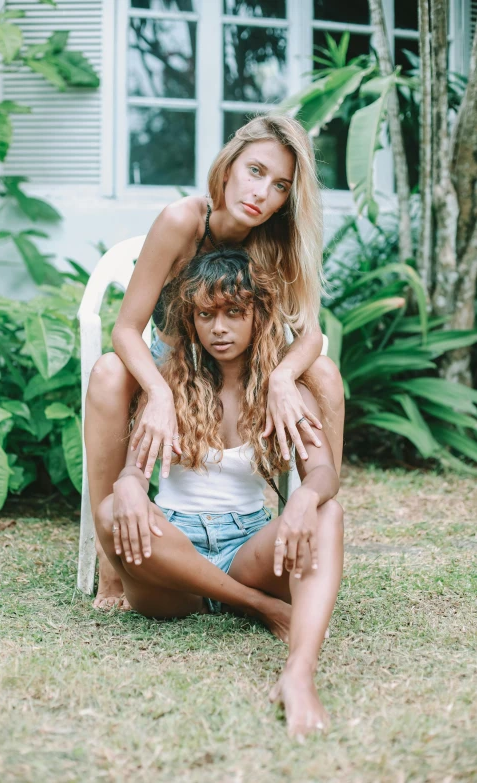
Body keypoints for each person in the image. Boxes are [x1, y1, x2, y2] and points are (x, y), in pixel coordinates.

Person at [85, 115, 345, 609]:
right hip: (171, 360)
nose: (261, 192)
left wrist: (285, 376)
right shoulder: (183, 220)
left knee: (326, 376)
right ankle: (110, 560)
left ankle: (304, 526)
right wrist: (159, 393)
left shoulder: (279, 240)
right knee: (106, 374)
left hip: (247, 364)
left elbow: (311, 334)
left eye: (280, 186)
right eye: (255, 171)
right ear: (228, 167)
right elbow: (124, 329)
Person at [95, 249, 344, 739]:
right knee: (110, 510)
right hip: (174, 567)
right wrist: (128, 487)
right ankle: (258, 606)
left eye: (235, 312)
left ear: (259, 315)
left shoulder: (285, 392)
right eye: (206, 315)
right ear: (191, 321)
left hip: (247, 546)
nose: (220, 328)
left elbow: (324, 474)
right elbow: (132, 471)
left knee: (328, 514)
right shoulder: (168, 382)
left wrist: (301, 498)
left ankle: (298, 675)